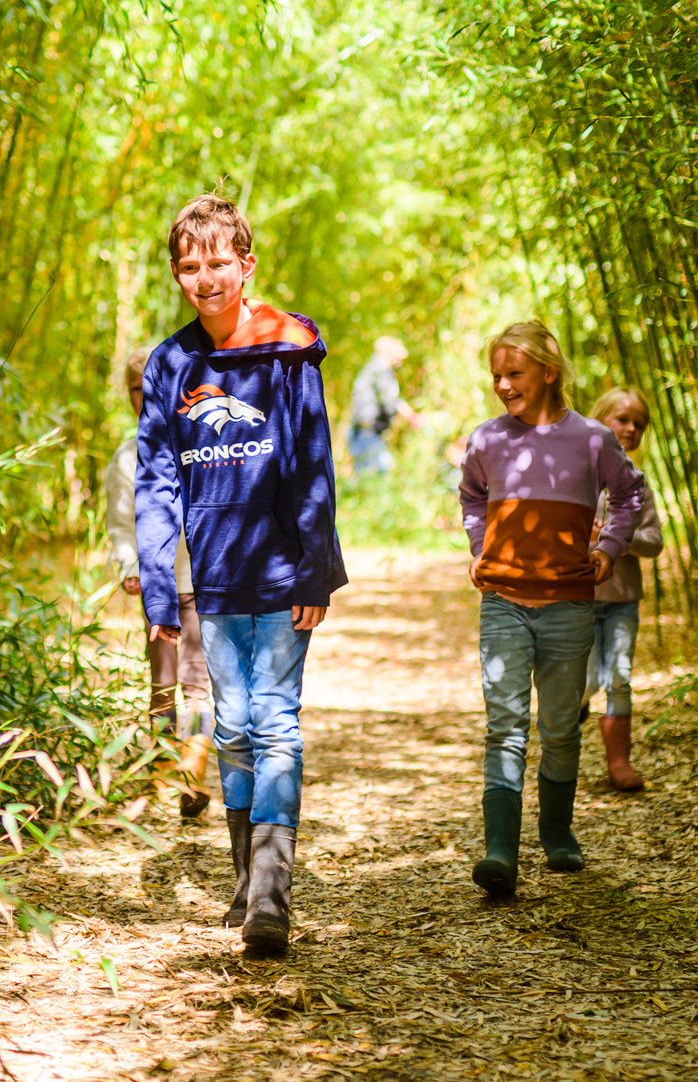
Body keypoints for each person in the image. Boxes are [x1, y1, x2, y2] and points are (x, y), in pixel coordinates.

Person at [136, 193, 346, 952]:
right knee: (230, 730)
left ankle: (270, 898)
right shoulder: (170, 363)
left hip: (282, 570)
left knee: (275, 725)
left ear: (245, 265)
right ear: (176, 274)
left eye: (218, 263)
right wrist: (159, 583)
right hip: (216, 576)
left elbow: (312, 462)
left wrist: (316, 570)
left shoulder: (286, 348)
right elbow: (156, 480)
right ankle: (241, 880)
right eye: (189, 267)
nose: (204, 278)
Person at [457, 321, 643, 898]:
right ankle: (501, 850)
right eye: (496, 376)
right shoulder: (487, 440)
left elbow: (630, 492)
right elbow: (471, 496)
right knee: (504, 727)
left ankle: (557, 830)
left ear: (548, 373)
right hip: (504, 602)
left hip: (568, 603)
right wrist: (480, 546)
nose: (503, 385)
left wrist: (609, 549)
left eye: (514, 373)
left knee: (560, 727)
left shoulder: (591, 439)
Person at [105, 345, 214, 818]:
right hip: (157, 588)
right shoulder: (127, 457)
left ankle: (192, 775)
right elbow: (120, 526)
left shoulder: (203, 444)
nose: (146, 397)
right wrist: (131, 569)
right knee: (163, 683)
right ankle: (159, 770)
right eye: (137, 389)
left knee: (197, 682)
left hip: (203, 582)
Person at [583, 387, 664, 792]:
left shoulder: (637, 483)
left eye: (639, 424)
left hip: (622, 601)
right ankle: (577, 708)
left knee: (618, 676)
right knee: (585, 681)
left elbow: (654, 541)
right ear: (601, 419)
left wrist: (618, 538)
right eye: (623, 419)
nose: (631, 429)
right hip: (577, 598)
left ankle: (619, 763)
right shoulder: (574, 473)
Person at [347, 335, 421, 474]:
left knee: (370, 476)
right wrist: (414, 418)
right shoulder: (380, 372)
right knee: (375, 477)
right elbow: (391, 401)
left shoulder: (370, 370)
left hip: (363, 433)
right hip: (367, 435)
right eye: (399, 358)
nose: (400, 362)